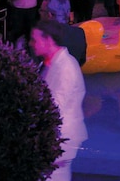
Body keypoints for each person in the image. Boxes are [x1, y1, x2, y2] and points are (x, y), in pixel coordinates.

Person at [30, 20, 88, 181]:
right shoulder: (47, 64)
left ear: (48, 40)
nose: (31, 44)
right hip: (51, 137)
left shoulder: (66, 68)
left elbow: (56, 106)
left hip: (61, 138)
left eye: (35, 40)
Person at [40, 0, 87, 66]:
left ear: (49, 15)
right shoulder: (79, 32)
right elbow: (82, 61)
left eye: (41, 10)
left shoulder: (41, 38)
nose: (40, 13)